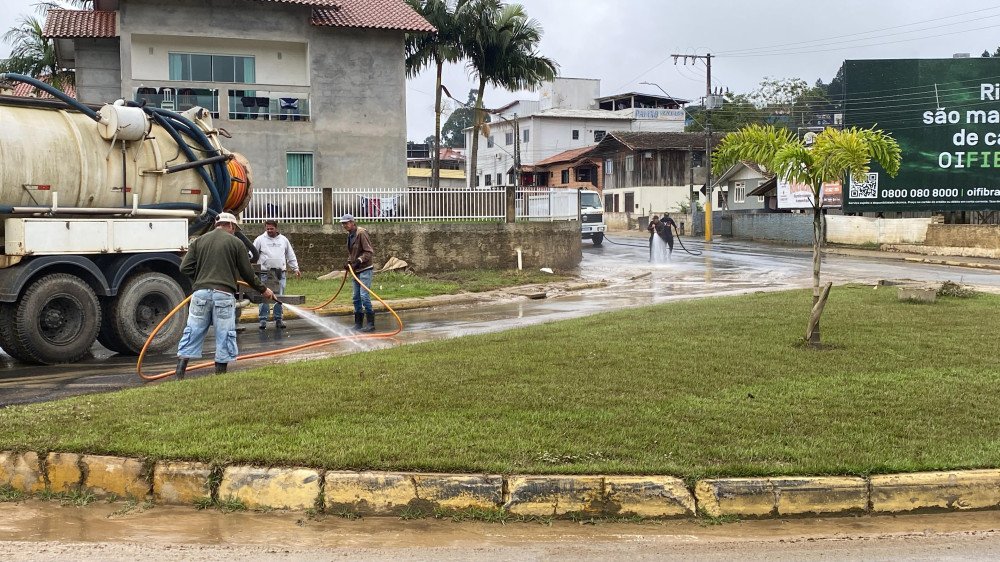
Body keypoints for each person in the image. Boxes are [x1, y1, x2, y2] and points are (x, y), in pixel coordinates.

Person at [175, 213, 275, 378]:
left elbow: (184, 267)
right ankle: (220, 375)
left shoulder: (199, 241)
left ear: (217, 224)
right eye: (234, 229)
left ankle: (179, 374)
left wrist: (200, 279)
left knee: (193, 331)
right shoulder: (236, 243)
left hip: (200, 294)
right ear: (232, 226)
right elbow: (247, 273)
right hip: (223, 294)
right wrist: (264, 289)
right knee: (224, 333)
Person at [253, 219, 301, 330]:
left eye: (271, 228)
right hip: (265, 273)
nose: (269, 230)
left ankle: (278, 318)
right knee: (264, 296)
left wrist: (295, 268)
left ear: (276, 228)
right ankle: (263, 320)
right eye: (267, 228)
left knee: (280, 296)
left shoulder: (283, 240)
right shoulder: (260, 240)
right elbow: (252, 254)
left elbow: (290, 255)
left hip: (280, 273)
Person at [340, 213, 375, 332]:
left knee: (364, 296)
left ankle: (370, 323)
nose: (344, 225)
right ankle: (358, 323)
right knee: (355, 297)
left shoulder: (361, 233)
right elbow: (352, 253)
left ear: (352, 222)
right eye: (343, 223)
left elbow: (368, 252)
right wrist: (349, 262)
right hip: (355, 271)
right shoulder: (350, 235)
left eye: (346, 223)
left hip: (365, 269)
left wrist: (359, 261)